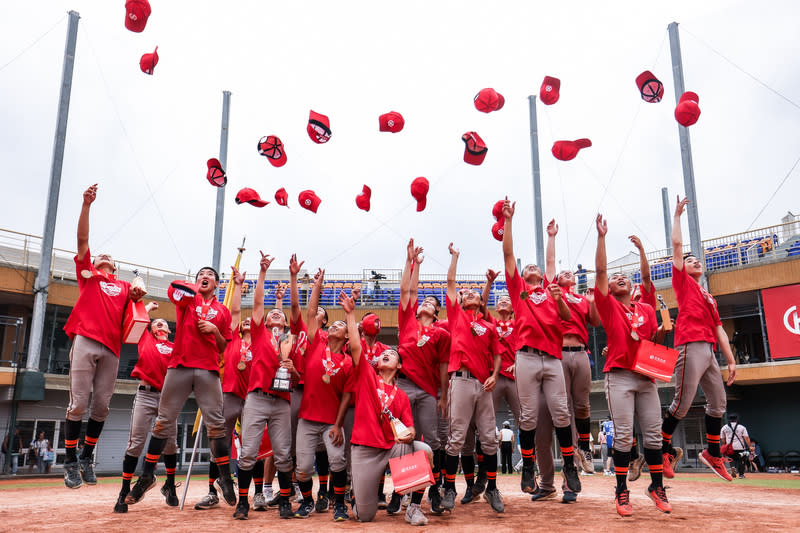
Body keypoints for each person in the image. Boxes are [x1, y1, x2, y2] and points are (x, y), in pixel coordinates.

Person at [125, 265, 236, 507]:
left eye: (210, 276)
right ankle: (146, 477)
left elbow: (222, 347)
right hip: (180, 365)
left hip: (208, 369)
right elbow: (172, 289)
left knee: (216, 424)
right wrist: (194, 288)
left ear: (218, 284)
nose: (204, 277)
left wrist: (215, 329)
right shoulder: (188, 299)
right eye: (200, 275)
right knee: (163, 422)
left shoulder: (222, 311)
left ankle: (226, 479)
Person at [62, 184, 144, 489]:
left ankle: (86, 456)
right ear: (95, 264)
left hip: (111, 346)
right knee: (79, 404)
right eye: (100, 257)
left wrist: (139, 299)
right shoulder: (89, 276)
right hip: (85, 337)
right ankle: (70, 462)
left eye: (110, 258)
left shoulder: (124, 287)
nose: (104, 256)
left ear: (116, 268)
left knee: (102, 406)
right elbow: (83, 239)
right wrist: (86, 205)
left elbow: (134, 315)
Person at [500, 198, 581, 499]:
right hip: (526, 358)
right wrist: (508, 221)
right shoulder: (519, 291)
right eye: (528, 267)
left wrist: (551, 238)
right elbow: (508, 253)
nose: (534, 267)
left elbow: (568, 317)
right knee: (529, 416)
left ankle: (570, 466)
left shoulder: (550, 290)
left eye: (537, 267)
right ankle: (528, 466)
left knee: (562, 413)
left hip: (553, 358)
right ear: (522, 276)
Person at [593, 214, 671, 517]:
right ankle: (621, 491)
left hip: (645, 376)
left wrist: (664, 330)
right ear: (609, 289)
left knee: (653, 434)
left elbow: (652, 336)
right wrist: (602, 238)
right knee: (624, 435)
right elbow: (600, 271)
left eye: (624, 276)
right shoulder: (608, 306)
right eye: (614, 278)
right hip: (619, 377)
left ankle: (656, 487)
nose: (619, 277)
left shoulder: (647, 308)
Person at [660, 197, 737, 482]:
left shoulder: (709, 296)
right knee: (681, 403)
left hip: (709, 351)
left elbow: (719, 330)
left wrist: (730, 361)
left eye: (698, 260)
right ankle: (665, 450)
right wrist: (678, 216)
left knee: (718, 402)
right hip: (690, 346)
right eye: (691, 260)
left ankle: (712, 453)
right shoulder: (682, 282)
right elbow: (677, 247)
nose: (695, 262)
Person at [343, 291, 433, 526]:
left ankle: (412, 507)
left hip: (391, 447)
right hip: (364, 451)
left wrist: (410, 435)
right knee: (365, 516)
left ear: (399, 365)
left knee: (423, 449)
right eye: (383, 354)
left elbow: (411, 427)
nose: (385, 354)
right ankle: (358, 496)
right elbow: (355, 347)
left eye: (391, 354)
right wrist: (351, 315)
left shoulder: (402, 395)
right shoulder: (366, 376)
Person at [382, 239, 451, 515]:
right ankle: (400, 492)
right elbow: (407, 289)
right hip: (404, 388)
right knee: (405, 440)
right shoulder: (407, 321)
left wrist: (443, 395)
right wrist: (411, 262)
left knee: (432, 442)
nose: (422, 304)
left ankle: (433, 490)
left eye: (429, 304)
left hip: (428, 392)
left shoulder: (441, 334)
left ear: (436, 315)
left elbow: (444, 367)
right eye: (421, 301)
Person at [231, 252, 296, 520]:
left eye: (281, 314)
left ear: (285, 322)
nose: (276, 315)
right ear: (266, 322)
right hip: (257, 398)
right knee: (248, 453)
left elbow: (300, 376)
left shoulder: (292, 340)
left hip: (282, 400)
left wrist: (294, 368)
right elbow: (258, 304)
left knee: (283, 454)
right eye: (273, 314)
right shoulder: (259, 334)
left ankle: (283, 502)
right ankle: (243, 502)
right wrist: (262, 273)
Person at [440, 242, 504, 514]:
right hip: (462, 380)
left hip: (483, 384)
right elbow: (451, 282)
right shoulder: (457, 318)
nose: (469, 295)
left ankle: (491, 488)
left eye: (475, 294)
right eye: (466, 294)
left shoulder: (489, 326)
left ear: (481, 302)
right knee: (456, 438)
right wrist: (455, 257)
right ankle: (449, 489)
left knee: (489, 438)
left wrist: (494, 374)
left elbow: (498, 353)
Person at [290, 267, 354, 521]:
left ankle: (339, 504)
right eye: (333, 324)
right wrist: (317, 285)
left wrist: (338, 425)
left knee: (338, 461)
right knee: (303, 468)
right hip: (307, 418)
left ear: (347, 335)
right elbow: (310, 312)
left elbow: (347, 397)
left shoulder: (348, 362)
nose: (334, 326)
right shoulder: (317, 344)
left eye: (340, 325)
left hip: (331, 421)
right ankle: (307, 502)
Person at [544, 219, 602, 476]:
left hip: (580, 353)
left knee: (582, 404)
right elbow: (550, 264)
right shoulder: (552, 293)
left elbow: (596, 323)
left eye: (571, 273)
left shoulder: (581, 298)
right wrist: (552, 236)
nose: (567, 274)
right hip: (558, 354)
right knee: (562, 407)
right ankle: (570, 456)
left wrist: (592, 302)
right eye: (563, 272)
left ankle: (585, 448)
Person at [113, 302, 179, 513]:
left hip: (168, 398)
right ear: (150, 328)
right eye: (155, 323)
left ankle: (169, 485)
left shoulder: (176, 347)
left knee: (170, 445)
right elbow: (136, 321)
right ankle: (124, 491)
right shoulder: (145, 339)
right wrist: (147, 309)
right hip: (145, 394)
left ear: (169, 330)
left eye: (164, 323)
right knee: (135, 443)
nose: (159, 323)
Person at [721, 413, 751, 479]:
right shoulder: (741, 427)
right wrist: (750, 446)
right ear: (737, 420)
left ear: (729, 420)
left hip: (730, 447)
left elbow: (723, 439)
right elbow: (746, 438)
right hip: (740, 447)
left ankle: (733, 467)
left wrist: (726, 444)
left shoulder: (724, 427)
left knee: (732, 459)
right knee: (741, 460)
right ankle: (741, 475)